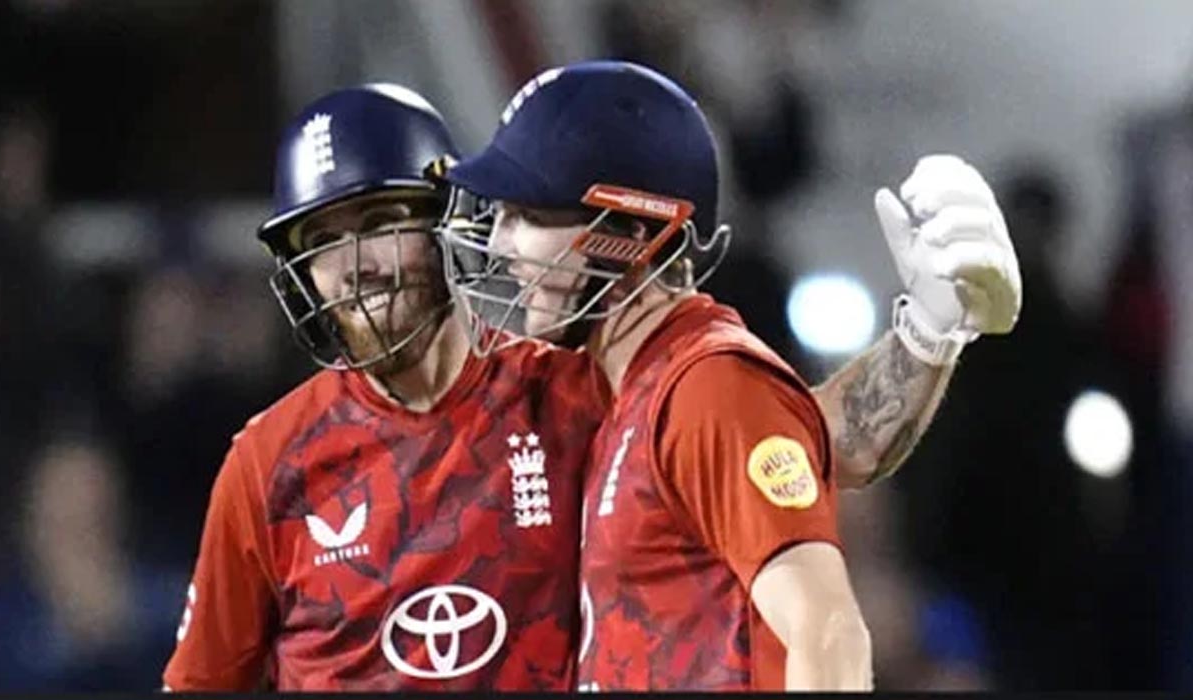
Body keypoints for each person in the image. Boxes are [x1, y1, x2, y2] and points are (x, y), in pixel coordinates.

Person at [439, 60, 1021, 691]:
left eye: (528, 214)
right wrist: (928, 332)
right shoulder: (638, 385)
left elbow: (827, 633)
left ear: (628, 232)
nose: (500, 243)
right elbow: (832, 442)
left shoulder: (706, 386)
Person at [161, 84, 606, 691]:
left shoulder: (573, 401)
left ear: (448, 220)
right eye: (323, 242)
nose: (355, 266)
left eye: (379, 223)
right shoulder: (268, 464)